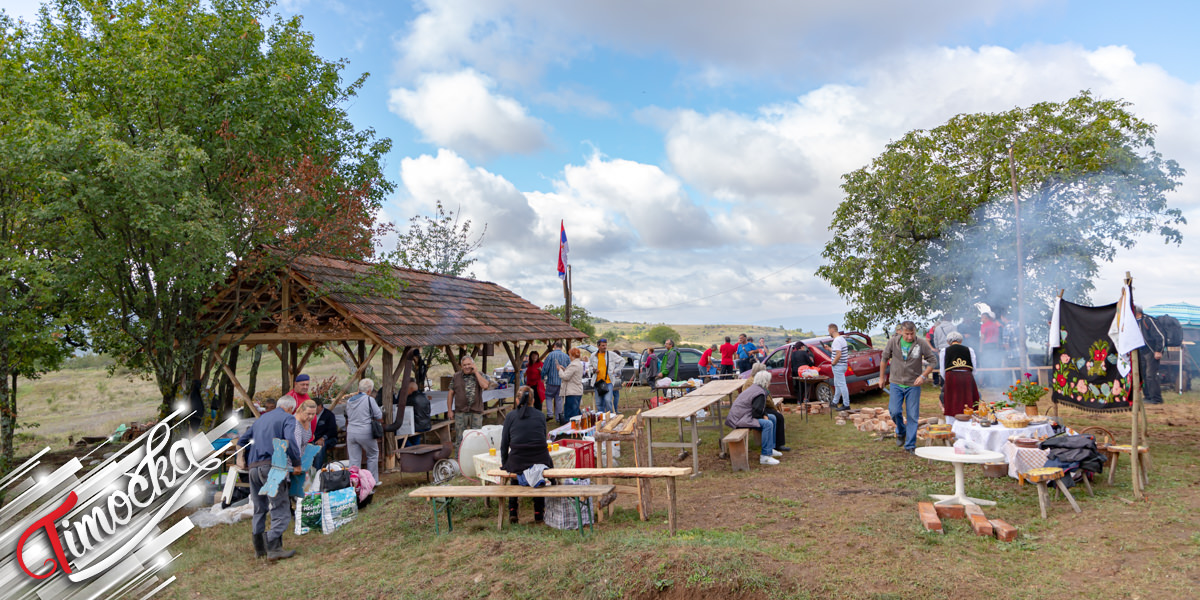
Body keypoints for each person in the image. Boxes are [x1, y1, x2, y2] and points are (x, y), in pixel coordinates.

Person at [237, 395, 301, 560]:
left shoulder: (260, 420)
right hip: (272, 467)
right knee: (280, 507)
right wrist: (296, 462)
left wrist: (240, 458)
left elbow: (242, 440)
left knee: (259, 508)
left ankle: (259, 550)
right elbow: (290, 441)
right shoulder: (288, 418)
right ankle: (273, 548)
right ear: (290, 408)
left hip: (253, 469)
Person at [879, 321, 937, 453]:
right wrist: (882, 378)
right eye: (907, 334)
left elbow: (933, 361)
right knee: (894, 411)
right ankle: (901, 431)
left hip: (913, 384)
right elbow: (884, 359)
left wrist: (923, 376)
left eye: (912, 334)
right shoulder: (893, 342)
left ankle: (910, 445)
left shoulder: (921, 343)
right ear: (901, 332)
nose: (910, 337)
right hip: (896, 382)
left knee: (912, 415)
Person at [500, 386, 554, 524]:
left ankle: (513, 510)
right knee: (539, 474)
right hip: (540, 458)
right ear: (533, 400)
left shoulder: (511, 416)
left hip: (518, 459)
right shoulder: (540, 415)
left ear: (517, 400)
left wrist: (505, 463)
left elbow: (504, 444)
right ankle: (538, 512)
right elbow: (542, 438)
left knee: (515, 475)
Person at [725, 371, 782, 465]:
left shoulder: (756, 388)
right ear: (765, 382)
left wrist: (766, 415)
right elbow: (756, 412)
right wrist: (764, 417)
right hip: (739, 419)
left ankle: (770, 448)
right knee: (768, 424)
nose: (770, 383)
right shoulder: (759, 393)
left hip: (742, 416)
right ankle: (765, 456)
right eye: (769, 381)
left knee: (772, 417)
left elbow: (759, 409)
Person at [344, 378, 382, 481]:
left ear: (358, 388)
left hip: (351, 432)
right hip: (365, 431)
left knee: (354, 459)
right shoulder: (369, 400)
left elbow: (347, 414)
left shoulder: (349, 401)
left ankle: (354, 482)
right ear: (369, 390)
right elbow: (378, 415)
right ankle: (372, 480)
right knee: (373, 454)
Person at [448, 356, 492, 444]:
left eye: (469, 364)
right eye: (464, 365)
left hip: (476, 411)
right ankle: (459, 457)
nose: (467, 366)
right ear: (461, 366)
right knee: (460, 438)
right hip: (460, 412)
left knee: (477, 437)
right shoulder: (456, 376)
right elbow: (450, 394)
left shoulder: (479, 374)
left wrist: (476, 372)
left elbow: (485, 386)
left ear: (473, 364)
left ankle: (475, 456)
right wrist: (449, 410)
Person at [749, 363, 790, 451]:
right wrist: (773, 409)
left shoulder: (756, 380)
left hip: (760, 406)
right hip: (757, 408)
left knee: (775, 417)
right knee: (777, 417)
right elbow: (763, 401)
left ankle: (773, 445)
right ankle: (775, 446)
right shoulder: (753, 382)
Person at [938, 332, 980, 417]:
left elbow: (942, 369)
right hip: (967, 376)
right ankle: (969, 418)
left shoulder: (944, 351)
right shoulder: (969, 350)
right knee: (967, 400)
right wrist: (969, 377)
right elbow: (974, 368)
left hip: (951, 377)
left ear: (948, 342)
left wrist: (948, 379)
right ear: (961, 341)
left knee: (952, 401)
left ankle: (952, 422)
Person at [1135, 305, 1165, 405]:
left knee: (1150, 375)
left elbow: (1160, 336)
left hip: (1151, 352)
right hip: (1141, 352)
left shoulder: (1148, 320)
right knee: (1143, 375)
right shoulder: (1134, 322)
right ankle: (1147, 396)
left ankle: (1156, 398)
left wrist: (1158, 350)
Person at [588, 339, 625, 412]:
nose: (605, 347)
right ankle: (601, 418)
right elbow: (590, 366)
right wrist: (594, 370)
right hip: (597, 382)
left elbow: (622, 361)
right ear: (598, 346)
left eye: (605, 345)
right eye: (603, 345)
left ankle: (610, 416)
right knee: (599, 403)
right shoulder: (593, 355)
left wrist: (616, 370)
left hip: (608, 382)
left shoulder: (611, 354)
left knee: (608, 400)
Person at [542, 341, 571, 423]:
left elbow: (545, 368)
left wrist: (542, 376)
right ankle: (558, 418)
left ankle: (550, 413)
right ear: (561, 347)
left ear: (554, 346)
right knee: (559, 399)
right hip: (562, 381)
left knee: (548, 396)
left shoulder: (550, 355)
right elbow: (569, 368)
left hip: (551, 381)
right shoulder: (566, 356)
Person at [310, 396, 338, 469]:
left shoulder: (329, 415)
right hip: (314, 439)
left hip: (329, 438)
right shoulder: (311, 415)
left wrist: (323, 438)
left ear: (319, 406)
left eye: (313, 407)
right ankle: (309, 471)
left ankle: (317, 471)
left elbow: (332, 430)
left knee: (320, 448)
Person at [557, 348, 585, 422]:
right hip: (576, 391)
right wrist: (564, 369)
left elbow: (565, 377)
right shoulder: (578, 363)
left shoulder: (574, 365)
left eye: (569, 355)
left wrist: (559, 370)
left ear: (572, 355)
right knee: (576, 412)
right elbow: (571, 374)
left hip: (572, 391)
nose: (569, 356)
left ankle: (570, 430)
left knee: (571, 414)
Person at [828, 324, 851, 410]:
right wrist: (829, 349)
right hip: (843, 364)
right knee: (837, 384)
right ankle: (835, 402)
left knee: (842, 385)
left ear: (832, 330)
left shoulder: (836, 341)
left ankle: (846, 404)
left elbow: (838, 354)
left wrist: (833, 363)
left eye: (829, 330)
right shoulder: (842, 339)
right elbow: (836, 351)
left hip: (838, 365)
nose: (829, 332)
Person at [979, 312, 1001, 387]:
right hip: (994, 346)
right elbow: (997, 338)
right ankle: (996, 383)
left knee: (986, 365)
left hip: (987, 346)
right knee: (994, 364)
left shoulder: (984, 325)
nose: (981, 319)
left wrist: (981, 349)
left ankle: (987, 383)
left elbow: (982, 337)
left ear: (986, 318)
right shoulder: (995, 325)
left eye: (982, 318)